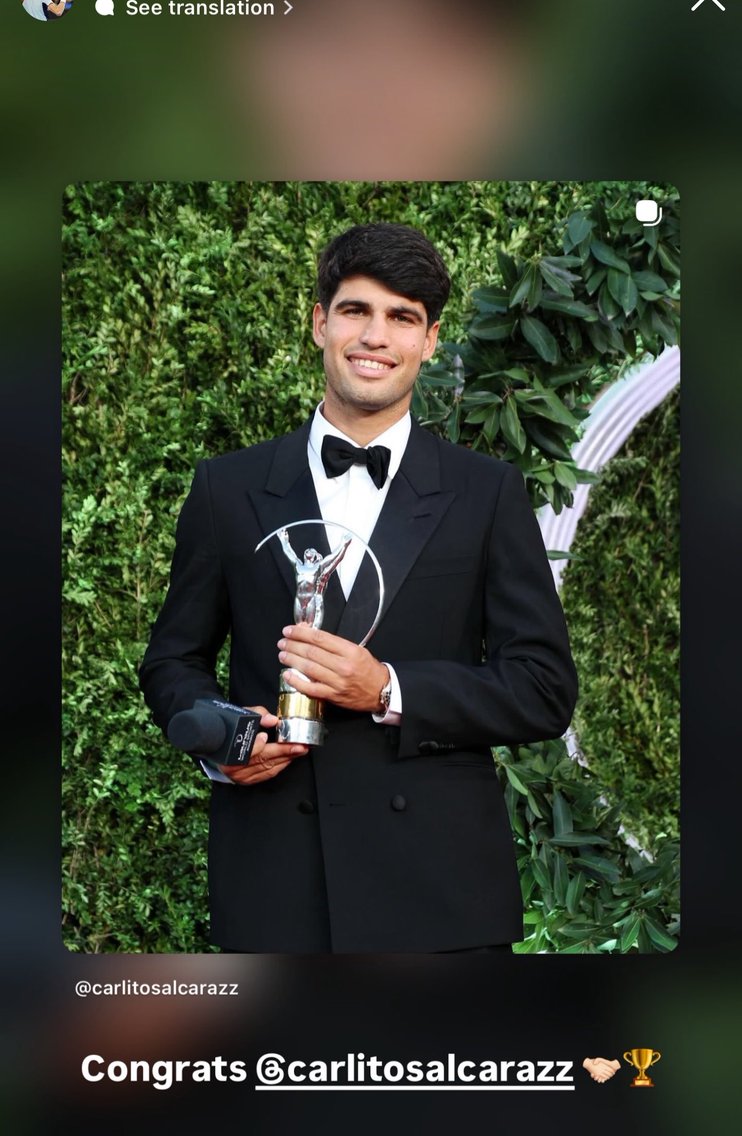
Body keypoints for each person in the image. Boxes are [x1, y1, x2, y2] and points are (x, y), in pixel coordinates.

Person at [140, 222, 578, 953]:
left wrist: (387, 688)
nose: (376, 336)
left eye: (402, 317)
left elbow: (542, 687)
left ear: (430, 340)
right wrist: (226, 739)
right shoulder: (228, 486)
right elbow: (171, 662)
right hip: (276, 888)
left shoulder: (486, 492)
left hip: (441, 898)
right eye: (356, 310)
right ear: (320, 323)